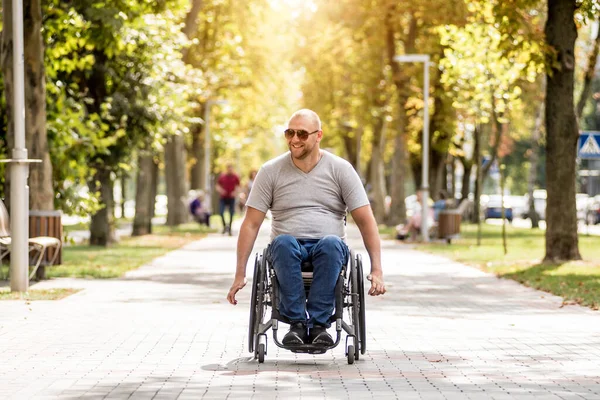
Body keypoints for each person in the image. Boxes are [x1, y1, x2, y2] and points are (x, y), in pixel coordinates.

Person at [227, 109, 385, 347]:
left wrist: (377, 269)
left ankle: (320, 325)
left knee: (332, 244)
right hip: (286, 248)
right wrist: (240, 272)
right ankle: (297, 324)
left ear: (318, 135)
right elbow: (250, 224)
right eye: (289, 133)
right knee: (283, 242)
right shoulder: (270, 171)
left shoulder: (340, 170)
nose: (294, 139)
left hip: (329, 247)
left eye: (302, 133)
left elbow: (365, 220)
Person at [216, 164, 240, 236]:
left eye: (231, 169)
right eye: (229, 169)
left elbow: (238, 186)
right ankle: (224, 227)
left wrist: (235, 192)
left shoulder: (235, 177)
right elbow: (217, 185)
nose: (230, 170)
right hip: (223, 198)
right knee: (221, 212)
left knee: (231, 213)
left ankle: (229, 228)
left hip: (231, 198)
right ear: (227, 169)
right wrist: (221, 190)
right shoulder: (222, 176)